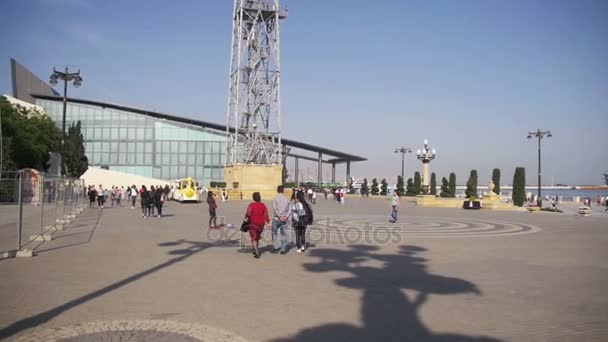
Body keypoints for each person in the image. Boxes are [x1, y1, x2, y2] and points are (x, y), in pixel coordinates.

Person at [246, 192, 270, 259]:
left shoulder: (251, 205)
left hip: (252, 224)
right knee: (256, 237)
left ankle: (257, 252)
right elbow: (266, 215)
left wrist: (246, 222)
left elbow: (248, 214)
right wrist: (268, 221)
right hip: (261, 224)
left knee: (254, 238)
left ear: (253, 198)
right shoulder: (263, 205)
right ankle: (255, 249)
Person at [271, 185, 291, 255]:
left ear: (277, 190)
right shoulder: (287, 199)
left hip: (277, 218)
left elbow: (275, 208)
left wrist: (279, 216)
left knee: (274, 234)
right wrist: (286, 216)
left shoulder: (275, 198)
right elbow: (290, 209)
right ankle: (283, 249)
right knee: (283, 234)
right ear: (283, 190)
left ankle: (275, 248)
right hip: (284, 219)